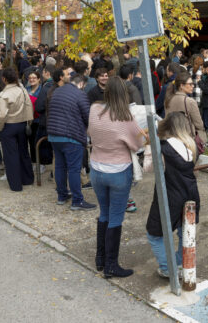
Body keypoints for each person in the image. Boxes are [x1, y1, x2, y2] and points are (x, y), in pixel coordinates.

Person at [88, 77, 145, 278]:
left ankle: (100, 258)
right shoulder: (125, 117)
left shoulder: (94, 110)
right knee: (115, 217)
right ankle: (111, 264)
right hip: (119, 171)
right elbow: (138, 144)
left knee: (104, 213)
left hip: (96, 169)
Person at [146, 112, 199, 278]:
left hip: (168, 196)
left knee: (155, 234)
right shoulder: (190, 145)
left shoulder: (163, 147)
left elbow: (148, 168)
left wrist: (150, 146)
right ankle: (179, 264)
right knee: (185, 234)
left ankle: (168, 268)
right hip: (190, 194)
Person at [47, 74, 96, 210]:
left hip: (54, 135)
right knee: (74, 169)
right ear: (81, 84)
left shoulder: (57, 90)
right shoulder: (80, 94)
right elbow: (88, 116)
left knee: (60, 166)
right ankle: (77, 201)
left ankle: (62, 196)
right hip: (71, 136)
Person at [0, 68, 34, 192]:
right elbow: (29, 107)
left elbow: (1, 115)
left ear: (4, 79)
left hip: (9, 125)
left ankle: (16, 185)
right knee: (24, 151)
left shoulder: (3, 95)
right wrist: (29, 121)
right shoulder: (22, 90)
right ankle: (28, 179)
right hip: (22, 124)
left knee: (11, 155)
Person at [163, 71, 207, 144]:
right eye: (190, 84)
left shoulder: (168, 99)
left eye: (192, 83)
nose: (193, 86)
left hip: (171, 139)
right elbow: (199, 125)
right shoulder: (190, 102)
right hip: (187, 140)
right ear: (181, 86)